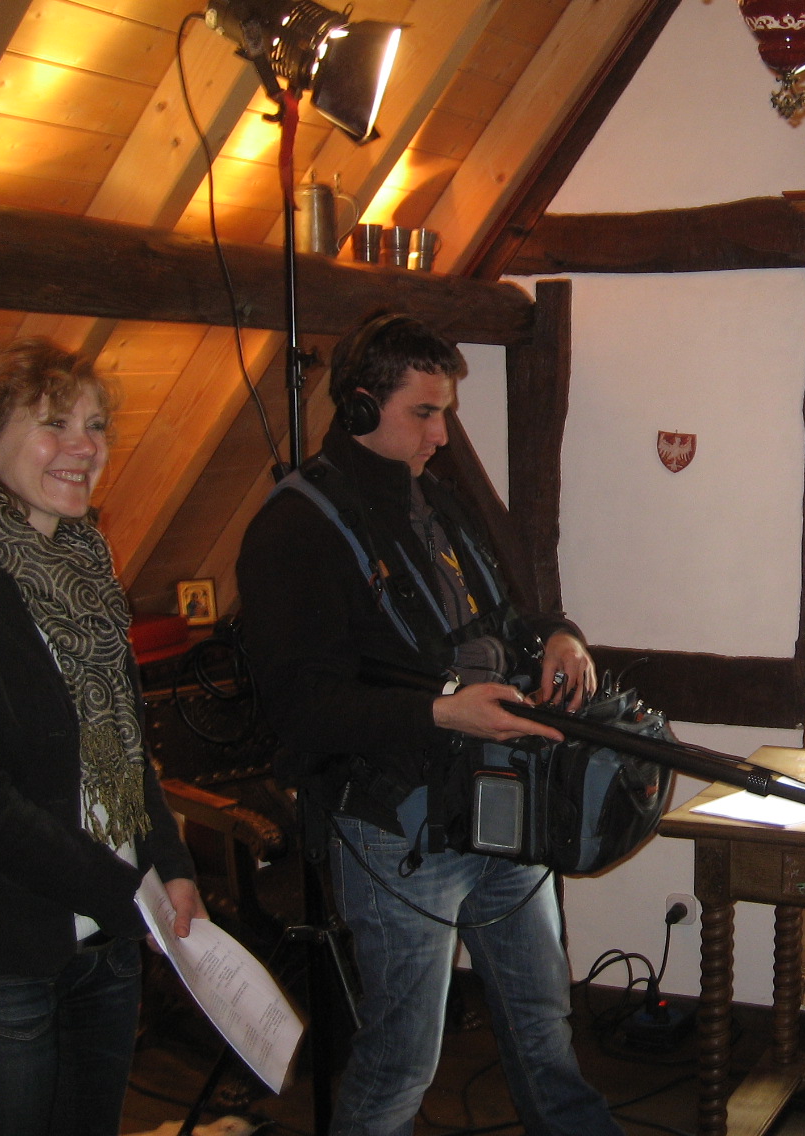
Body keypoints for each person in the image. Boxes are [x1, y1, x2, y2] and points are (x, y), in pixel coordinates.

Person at [235, 315, 621, 1136]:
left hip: (496, 803)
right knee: (402, 1059)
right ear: (360, 407)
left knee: (543, 1023)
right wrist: (442, 712)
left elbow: (507, 617)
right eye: (424, 413)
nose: (441, 435)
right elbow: (300, 708)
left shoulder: (438, 501)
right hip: (395, 829)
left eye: (444, 413)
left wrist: (560, 636)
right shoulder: (294, 529)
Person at [0, 337, 200, 1136]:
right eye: (55, 424)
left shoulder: (87, 572)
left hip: (104, 949)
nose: (86, 447)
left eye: (95, 425)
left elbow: (125, 751)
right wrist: (128, 894)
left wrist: (171, 865)